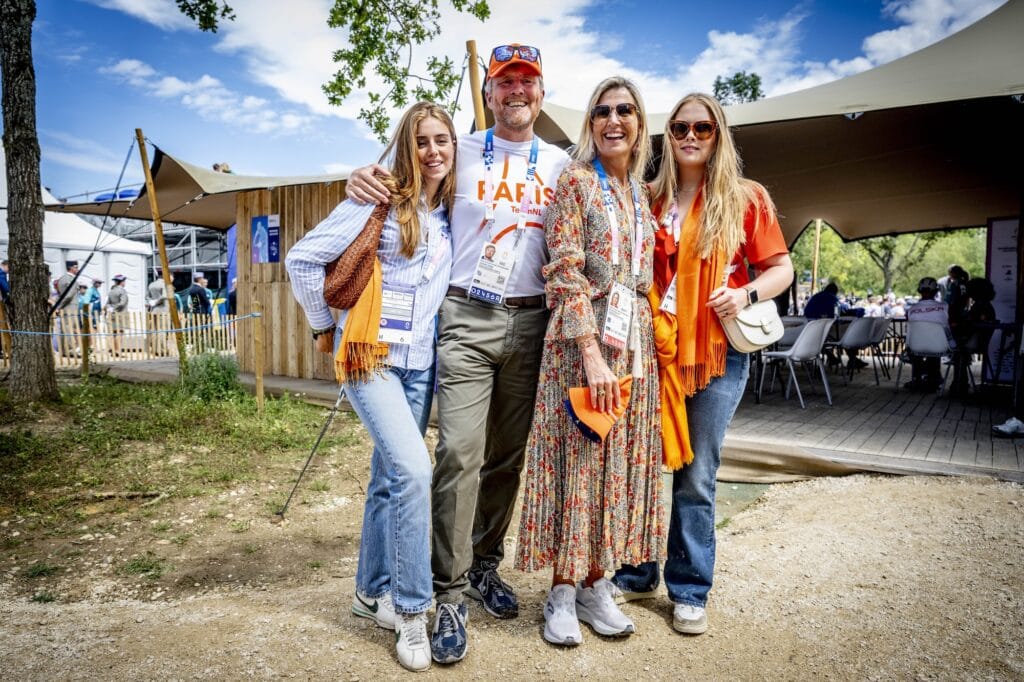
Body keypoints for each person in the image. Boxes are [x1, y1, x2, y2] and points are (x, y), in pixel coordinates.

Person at [345, 42, 570, 664]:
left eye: (527, 81)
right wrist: (357, 178)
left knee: (506, 458)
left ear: (541, 92)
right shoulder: (458, 149)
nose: (516, 92)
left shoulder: (561, 163)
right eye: (505, 83)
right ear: (489, 94)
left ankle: (485, 565)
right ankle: (446, 592)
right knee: (460, 452)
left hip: (532, 319)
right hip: (466, 316)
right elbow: (400, 176)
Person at [610, 92, 793, 636]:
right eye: (681, 127)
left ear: (719, 135)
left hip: (717, 354)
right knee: (642, 466)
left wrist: (747, 294)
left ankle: (689, 588)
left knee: (696, 475)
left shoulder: (744, 198)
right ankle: (637, 570)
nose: (691, 136)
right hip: (652, 354)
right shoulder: (647, 196)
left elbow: (780, 268)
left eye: (703, 128)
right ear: (669, 135)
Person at [286, 101, 457, 672]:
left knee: (390, 476)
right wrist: (324, 327)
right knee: (414, 470)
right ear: (406, 146)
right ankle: (411, 613)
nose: (434, 151)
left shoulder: (448, 210)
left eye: (443, 140)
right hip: (371, 356)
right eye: (423, 141)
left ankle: (370, 592)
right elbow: (302, 259)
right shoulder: (377, 196)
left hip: (419, 362)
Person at [514, 76, 663, 646]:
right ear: (590, 124)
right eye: (602, 112)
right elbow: (563, 270)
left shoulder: (641, 196)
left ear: (639, 123)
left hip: (633, 345)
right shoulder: (576, 182)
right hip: (582, 345)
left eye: (624, 110)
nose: (612, 120)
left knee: (615, 466)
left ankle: (596, 582)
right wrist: (591, 354)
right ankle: (559, 590)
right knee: (576, 462)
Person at [903, 276, 950, 391]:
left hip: (915, 347)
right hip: (940, 347)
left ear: (920, 291)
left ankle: (918, 378)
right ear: (935, 292)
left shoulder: (911, 310)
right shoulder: (945, 307)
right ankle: (933, 378)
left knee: (917, 349)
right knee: (934, 348)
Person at [105, 274, 129, 356]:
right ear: (121, 282)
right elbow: (122, 303)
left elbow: (107, 303)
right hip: (120, 313)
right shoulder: (122, 291)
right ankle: (118, 351)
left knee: (115, 333)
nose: (124, 283)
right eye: (124, 281)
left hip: (113, 314)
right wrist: (115, 308)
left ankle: (114, 350)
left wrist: (111, 309)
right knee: (120, 332)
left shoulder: (111, 291)